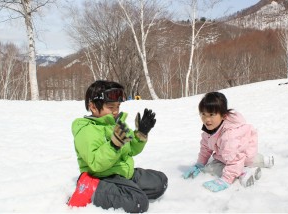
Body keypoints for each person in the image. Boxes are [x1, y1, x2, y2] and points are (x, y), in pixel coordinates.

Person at [67, 80, 168, 212]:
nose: (115, 111)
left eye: (117, 106)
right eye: (110, 107)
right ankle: (91, 190)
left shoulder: (116, 123)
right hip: (102, 178)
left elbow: (131, 149)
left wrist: (141, 134)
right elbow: (95, 163)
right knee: (138, 202)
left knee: (160, 182)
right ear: (92, 107)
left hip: (123, 173)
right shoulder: (86, 130)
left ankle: (128, 189)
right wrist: (114, 145)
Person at [182, 92, 274, 192]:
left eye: (211, 114)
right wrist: (199, 164)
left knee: (212, 167)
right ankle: (264, 160)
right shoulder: (209, 130)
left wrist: (226, 179)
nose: (206, 119)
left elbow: (234, 160)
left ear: (224, 116)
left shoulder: (228, 136)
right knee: (238, 159)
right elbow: (205, 148)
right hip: (235, 153)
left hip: (239, 156)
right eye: (203, 114)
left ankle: (244, 172)